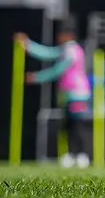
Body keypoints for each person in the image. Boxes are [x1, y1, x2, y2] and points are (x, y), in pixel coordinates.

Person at [16, 27, 92, 168]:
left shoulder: (72, 51)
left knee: (76, 125)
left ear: (69, 36)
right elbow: (49, 53)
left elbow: (57, 69)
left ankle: (81, 155)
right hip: (70, 93)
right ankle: (72, 154)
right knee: (68, 126)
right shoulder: (67, 49)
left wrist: (37, 77)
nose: (59, 38)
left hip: (77, 93)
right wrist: (29, 45)